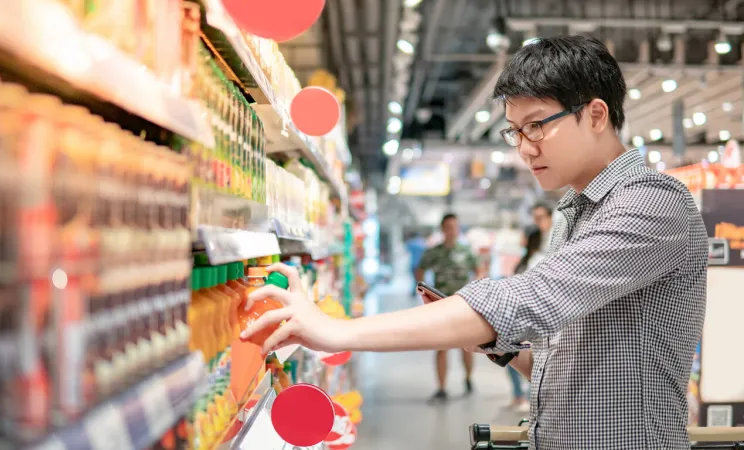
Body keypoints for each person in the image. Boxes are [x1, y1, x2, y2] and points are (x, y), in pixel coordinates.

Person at [242, 36, 707, 450]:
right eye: (515, 130)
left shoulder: (653, 202)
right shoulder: (575, 212)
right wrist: (500, 346)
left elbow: (533, 299)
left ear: (596, 114)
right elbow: (561, 356)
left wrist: (337, 331)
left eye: (537, 125)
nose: (524, 147)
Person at [414, 213, 479, 402]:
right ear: (442, 229)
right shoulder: (434, 252)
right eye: (448, 227)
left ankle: (468, 378)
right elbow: (420, 269)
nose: (452, 231)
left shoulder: (467, 252)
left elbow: (479, 271)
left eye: (455, 227)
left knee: (467, 347)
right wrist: (423, 290)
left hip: (464, 305)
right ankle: (441, 387)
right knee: (441, 347)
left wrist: (477, 290)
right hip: (441, 306)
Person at [505, 225, 543, 411]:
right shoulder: (529, 260)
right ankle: (521, 396)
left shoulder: (534, 260)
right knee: (515, 357)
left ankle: (524, 397)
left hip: (526, 319)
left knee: (522, 359)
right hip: (524, 318)